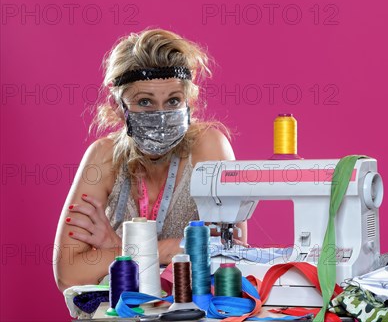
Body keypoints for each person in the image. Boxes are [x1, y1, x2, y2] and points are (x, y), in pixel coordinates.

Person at [53, 28, 246, 292]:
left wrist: (118, 250)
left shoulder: (208, 148)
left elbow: (230, 255)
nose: (161, 115)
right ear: (118, 106)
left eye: (173, 101)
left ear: (189, 102)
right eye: (145, 102)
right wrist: (164, 249)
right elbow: (68, 275)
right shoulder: (103, 158)